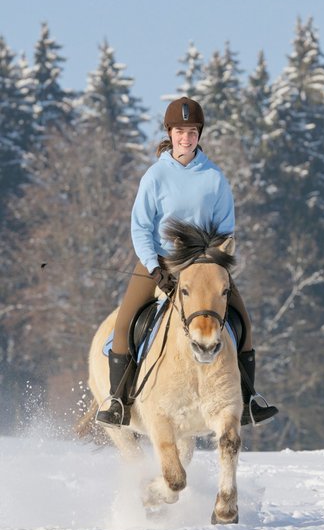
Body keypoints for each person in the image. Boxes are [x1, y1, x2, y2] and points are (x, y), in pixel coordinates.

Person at [96, 97, 277, 428]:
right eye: (180, 131)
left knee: (243, 325)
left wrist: (215, 263)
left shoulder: (214, 178)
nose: (186, 138)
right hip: (161, 262)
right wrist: (154, 268)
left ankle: (249, 399)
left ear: (199, 134)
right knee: (124, 326)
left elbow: (226, 229)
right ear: (170, 132)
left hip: (205, 265)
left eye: (192, 131)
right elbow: (140, 227)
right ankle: (118, 401)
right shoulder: (155, 176)